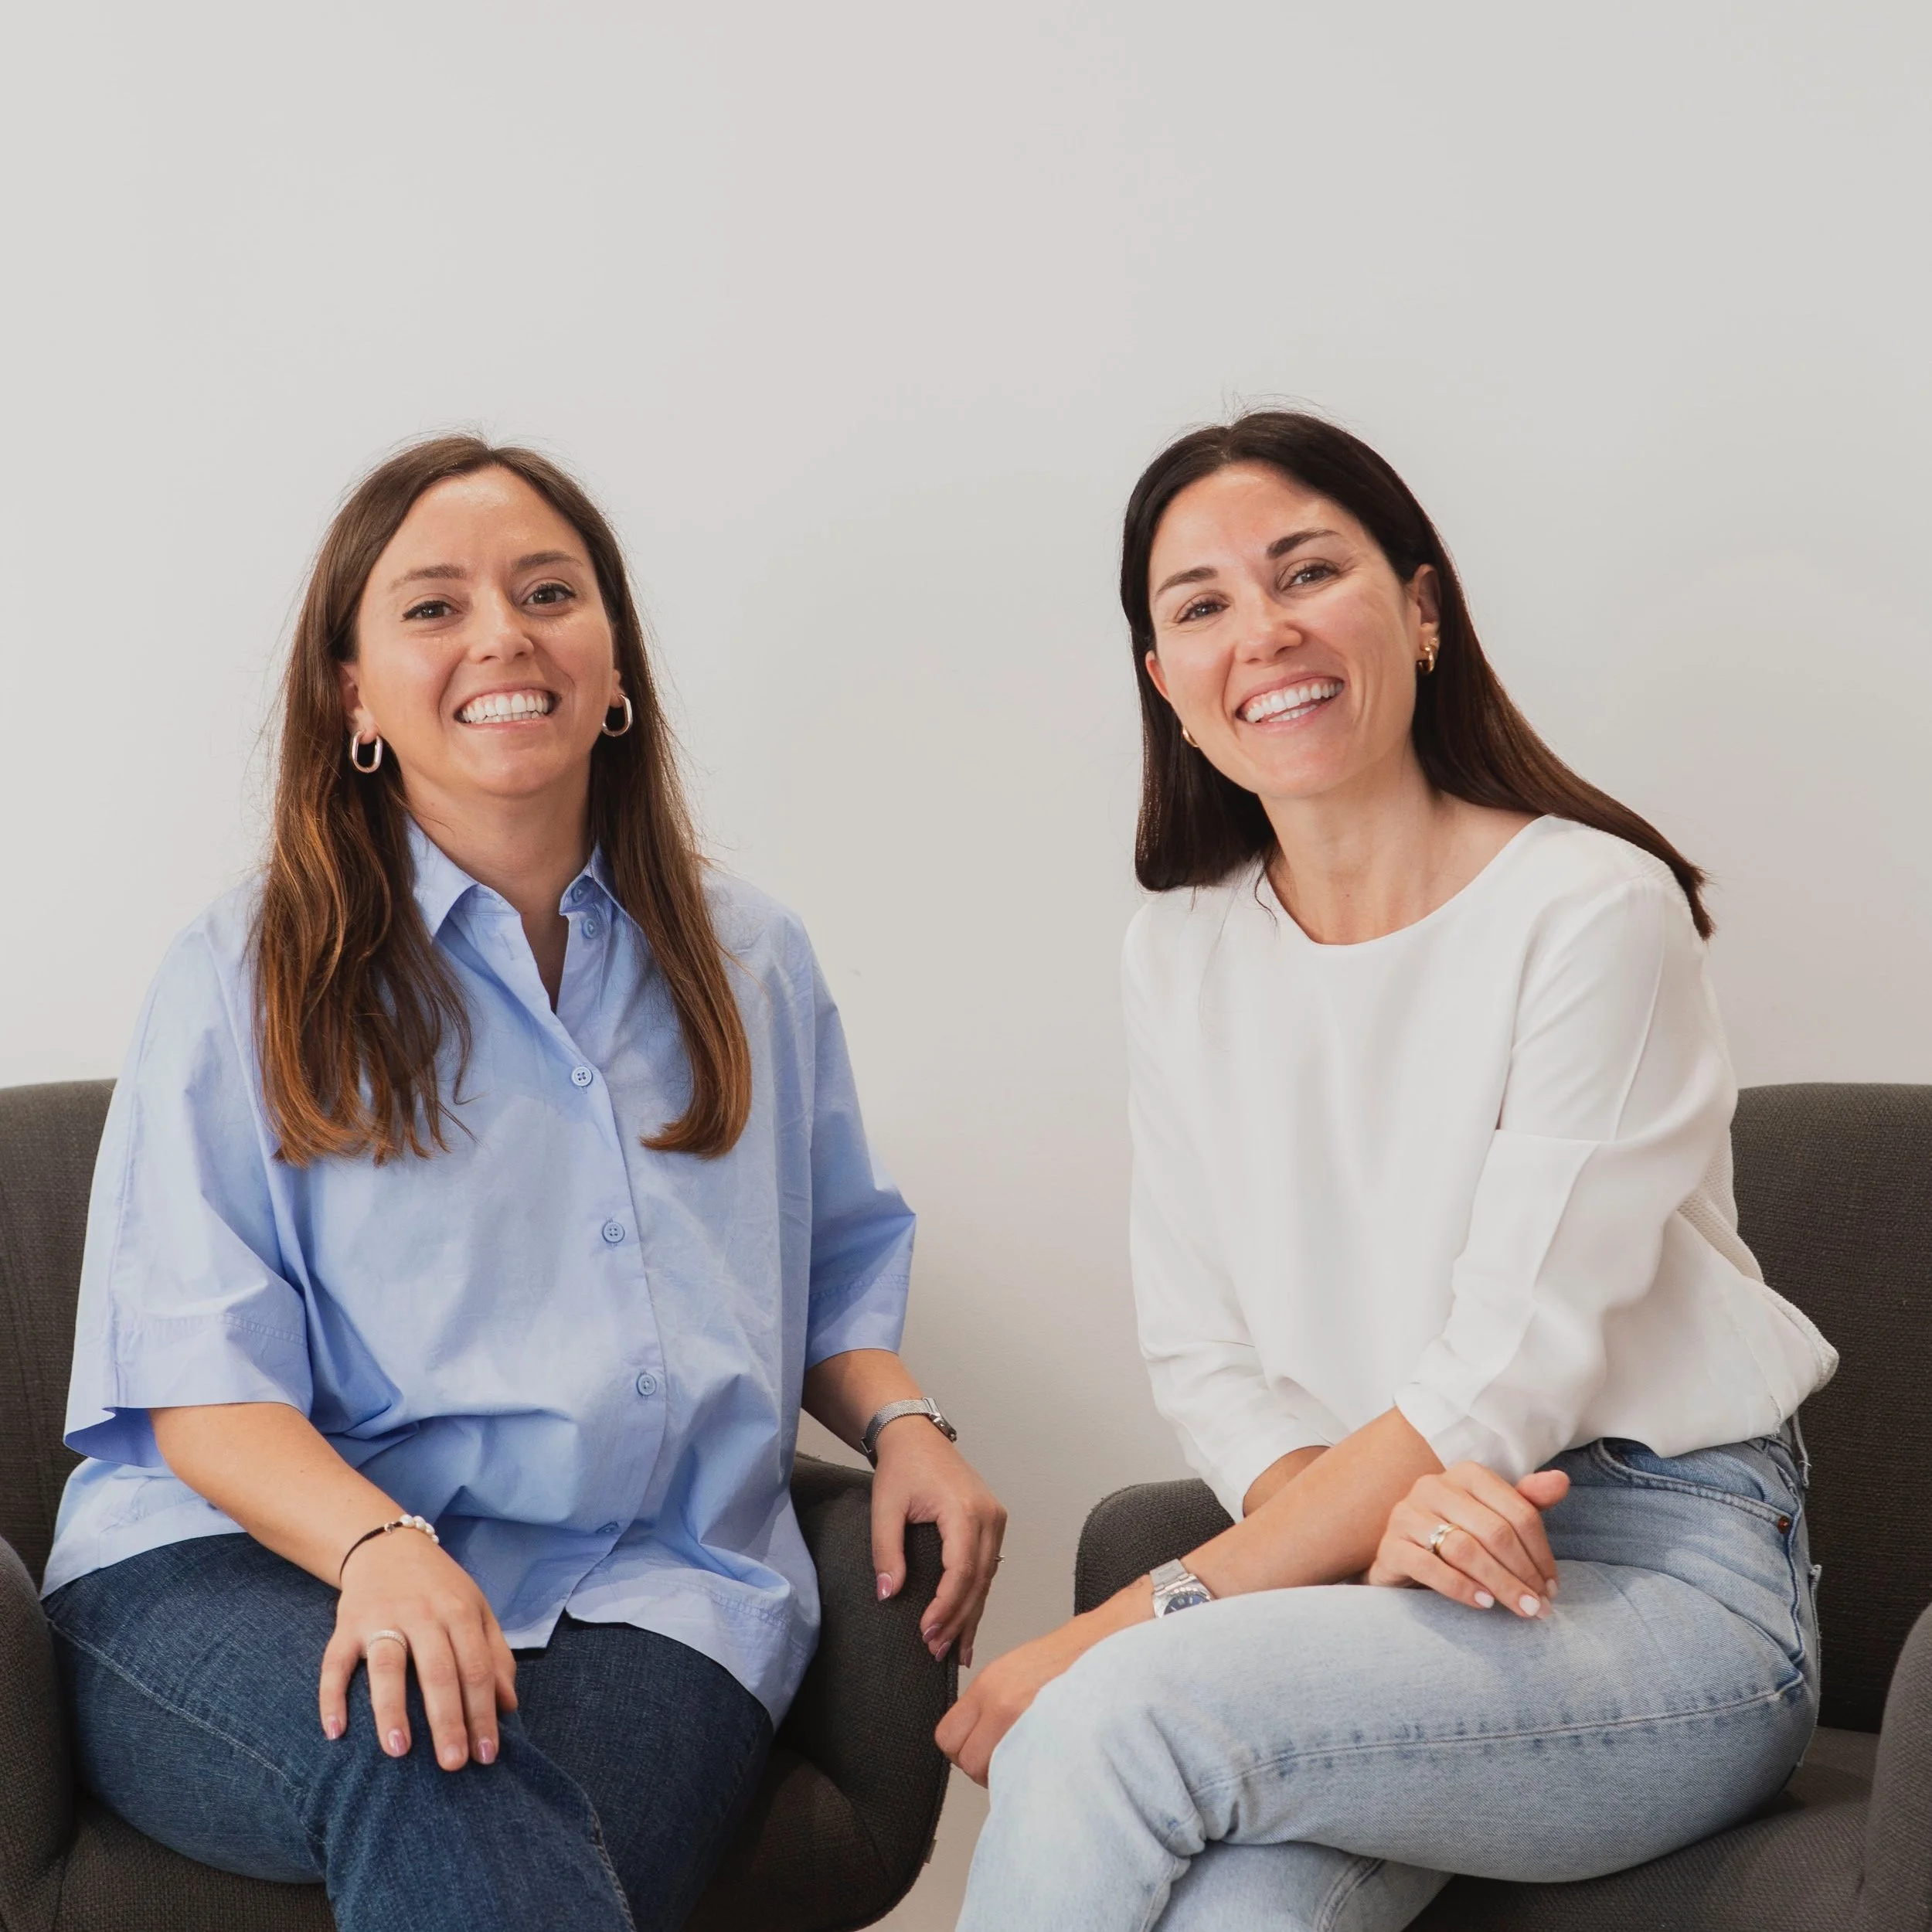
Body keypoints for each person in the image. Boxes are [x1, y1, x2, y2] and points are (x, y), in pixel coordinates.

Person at [42, 436, 1005, 1932]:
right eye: (432, 605)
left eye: (547, 590)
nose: (501, 631)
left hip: (651, 1583)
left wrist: (901, 1417)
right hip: (237, 1567)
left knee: (510, 1831)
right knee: (427, 1762)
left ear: (611, 664)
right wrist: (379, 1550)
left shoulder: (751, 962)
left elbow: (815, 1261)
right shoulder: (241, 970)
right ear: (351, 692)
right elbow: (193, 1379)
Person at [940, 411, 1836, 1931]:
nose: (1262, 628)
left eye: (1305, 569)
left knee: (1115, 1713)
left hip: (1662, 1588)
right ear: (1163, 683)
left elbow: (1503, 1372)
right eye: (1199, 604)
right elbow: (1204, 1351)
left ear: (1418, 609)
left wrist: (1120, 1621)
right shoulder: (1181, 954)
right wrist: (1366, 1519)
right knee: (1237, 1909)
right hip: (1386, 1567)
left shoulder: (1585, 911)